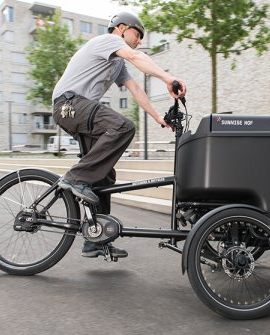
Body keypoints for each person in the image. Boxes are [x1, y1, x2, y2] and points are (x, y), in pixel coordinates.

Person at [51, 12, 187, 259]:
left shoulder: (117, 63)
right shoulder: (106, 42)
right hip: (67, 105)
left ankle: (94, 238)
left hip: (80, 110)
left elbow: (135, 89)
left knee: (104, 176)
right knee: (123, 126)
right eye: (137, 34)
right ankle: (75, 178)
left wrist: (158, 117)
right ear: (121, 28)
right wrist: (168, 77)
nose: (138, 41)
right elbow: (136, 56)